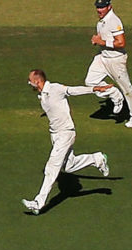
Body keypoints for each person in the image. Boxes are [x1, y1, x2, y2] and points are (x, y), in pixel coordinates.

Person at [22, 69, 109, 215]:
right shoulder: (42, 95)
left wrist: (95, 89)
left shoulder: (55, 88)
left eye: (30, 80)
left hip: (65, 133)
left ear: (37, 81)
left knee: (52, 167)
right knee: (69, 166)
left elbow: (73, 90)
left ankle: (38, 202)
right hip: (55, 135)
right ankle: (97, 158)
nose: (29, 82)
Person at [87, 0, 132, 128]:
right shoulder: (102, 20)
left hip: (115, 60)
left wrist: (101, 41)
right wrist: (97, 40)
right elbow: (105, 38)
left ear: (109, 7)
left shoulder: (113, 20)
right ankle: (115, 95)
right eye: (97, 7)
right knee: (91, 82)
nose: (99, 10)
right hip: (102, 57)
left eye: (102, 7)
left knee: (126, 88)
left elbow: (121, 43)